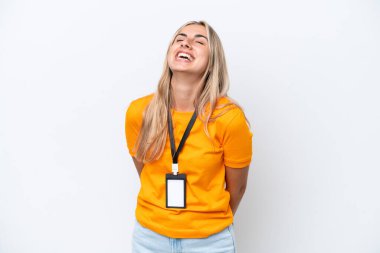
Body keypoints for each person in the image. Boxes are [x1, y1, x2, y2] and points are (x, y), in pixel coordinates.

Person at [125, 20, 253, 253]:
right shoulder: (139, 113)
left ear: (213, 61)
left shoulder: (229, 119)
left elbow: (238, 188)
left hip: (210, 243)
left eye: (199, 41)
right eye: (180, 38)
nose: (186, 42)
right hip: (149, 239)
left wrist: (205, 224)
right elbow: (145, 172)